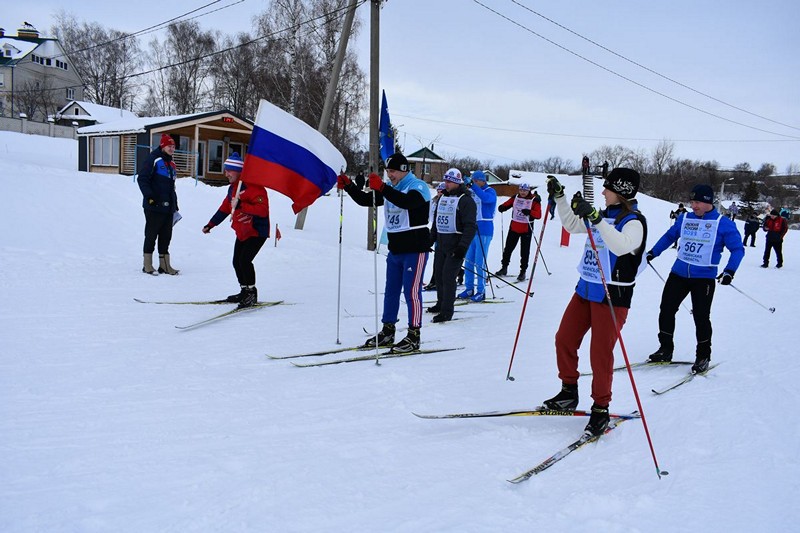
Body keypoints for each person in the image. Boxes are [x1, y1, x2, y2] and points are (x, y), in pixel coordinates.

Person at [541, 169, 647, 437]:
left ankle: (601, 407)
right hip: (585, 289)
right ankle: (568, 391)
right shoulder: (605, 215)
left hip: (612, 296)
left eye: (607, 189)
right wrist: (561, 198)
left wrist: (597, 218)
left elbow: (622, 246)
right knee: (564, 338)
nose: (602, 193)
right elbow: (571, 225)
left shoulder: (634, 221)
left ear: (621, 192)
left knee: (599, 354)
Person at [337, 153, 431, 352]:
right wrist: (349, 186)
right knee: (391, 291)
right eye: (388, 171)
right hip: (395, 250)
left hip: (415, 249)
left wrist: (383, 187)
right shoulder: (391, 188)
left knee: (411, 292)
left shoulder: (417, 186)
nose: (390, 175)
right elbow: (366, 200)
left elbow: (408, 202)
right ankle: (388, 330)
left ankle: (414, 335)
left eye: (393, 171)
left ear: (404, 170)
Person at [646, 184, 744, 374]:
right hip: (678, 274)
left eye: (697, 202)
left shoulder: (723, 223)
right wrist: (653, 253)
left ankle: (703, 356)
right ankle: (665, 349)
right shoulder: (684, 219)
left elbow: (738, 249)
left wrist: (729, 271)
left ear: (708, 202)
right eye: (692, 202)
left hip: (703, 278)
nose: (694, 206)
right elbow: (669, 236)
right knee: (666, 310)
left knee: (701, 317)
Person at [201, 153, 270, 308]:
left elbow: (262, 210)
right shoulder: (233, 189)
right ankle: (244, 291)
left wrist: (241, 206)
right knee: (236, 261)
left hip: (257, 231)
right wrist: (211, 224)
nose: (226, 174)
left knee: (245, 260)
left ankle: (251, 294)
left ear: (239, 171)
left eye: (229, 171)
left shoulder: (254, 187)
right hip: (242, 231)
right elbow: (225, 208)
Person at [427, 168, 477, 323]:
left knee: (448, 278)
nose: (446, 184)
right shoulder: (443, 198)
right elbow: (437, 221)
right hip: (441, 244)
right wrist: (430, 239)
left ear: (457, 182)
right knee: (439, 276)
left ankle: (447, 311)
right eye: (445, 180)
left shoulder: (466, 200)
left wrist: (462, 247)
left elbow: (470, 226)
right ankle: (440, 303)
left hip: (456, 246)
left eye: (449, 181)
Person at [137, 133, 179, 275]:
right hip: (154, 205)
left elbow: (171, 186)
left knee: (166, 235)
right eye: (169, 146)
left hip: (168, 207)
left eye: (173, 146)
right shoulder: (154, 159)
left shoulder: (171, 163)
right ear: (162, 146)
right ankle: (147, 265)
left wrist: (175, 205)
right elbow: (142, 178)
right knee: (151, 234)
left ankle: (165, 265)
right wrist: (149, 196)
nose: (172, 148)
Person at [458, 170, 497, 302]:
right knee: (469, 261)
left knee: (479, 262)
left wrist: (473, 186)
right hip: (472, 230)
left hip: (484, 230)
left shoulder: (490, 191)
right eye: (472, 181)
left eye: (475, 181)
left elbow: (486, 199)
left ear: (482, 180)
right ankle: (469, 288)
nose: (473, 183)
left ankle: (481, 290)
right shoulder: (474, 189)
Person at [495, 183, 541, 281]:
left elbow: (538, 215)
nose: (523, 192)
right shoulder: (515, 197)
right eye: (521, 190)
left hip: (526, 228)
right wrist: (502, 207)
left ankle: (523, 271)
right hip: (514, 227)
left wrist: (530, 212)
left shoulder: (534, 200)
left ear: (529, 191)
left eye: (525, 190)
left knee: (524, 251)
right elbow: (506, 204)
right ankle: (504, 267)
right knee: (508, 249)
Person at [423, 182, 447, 292]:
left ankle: (436, 281)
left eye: (441, 191)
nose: (439, 193)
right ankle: (435, 280)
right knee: (438, 260)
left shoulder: (446, 201)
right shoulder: (433, 201)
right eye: (438, 191)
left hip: (443, 233)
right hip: (435, 229)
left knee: (441, 260)